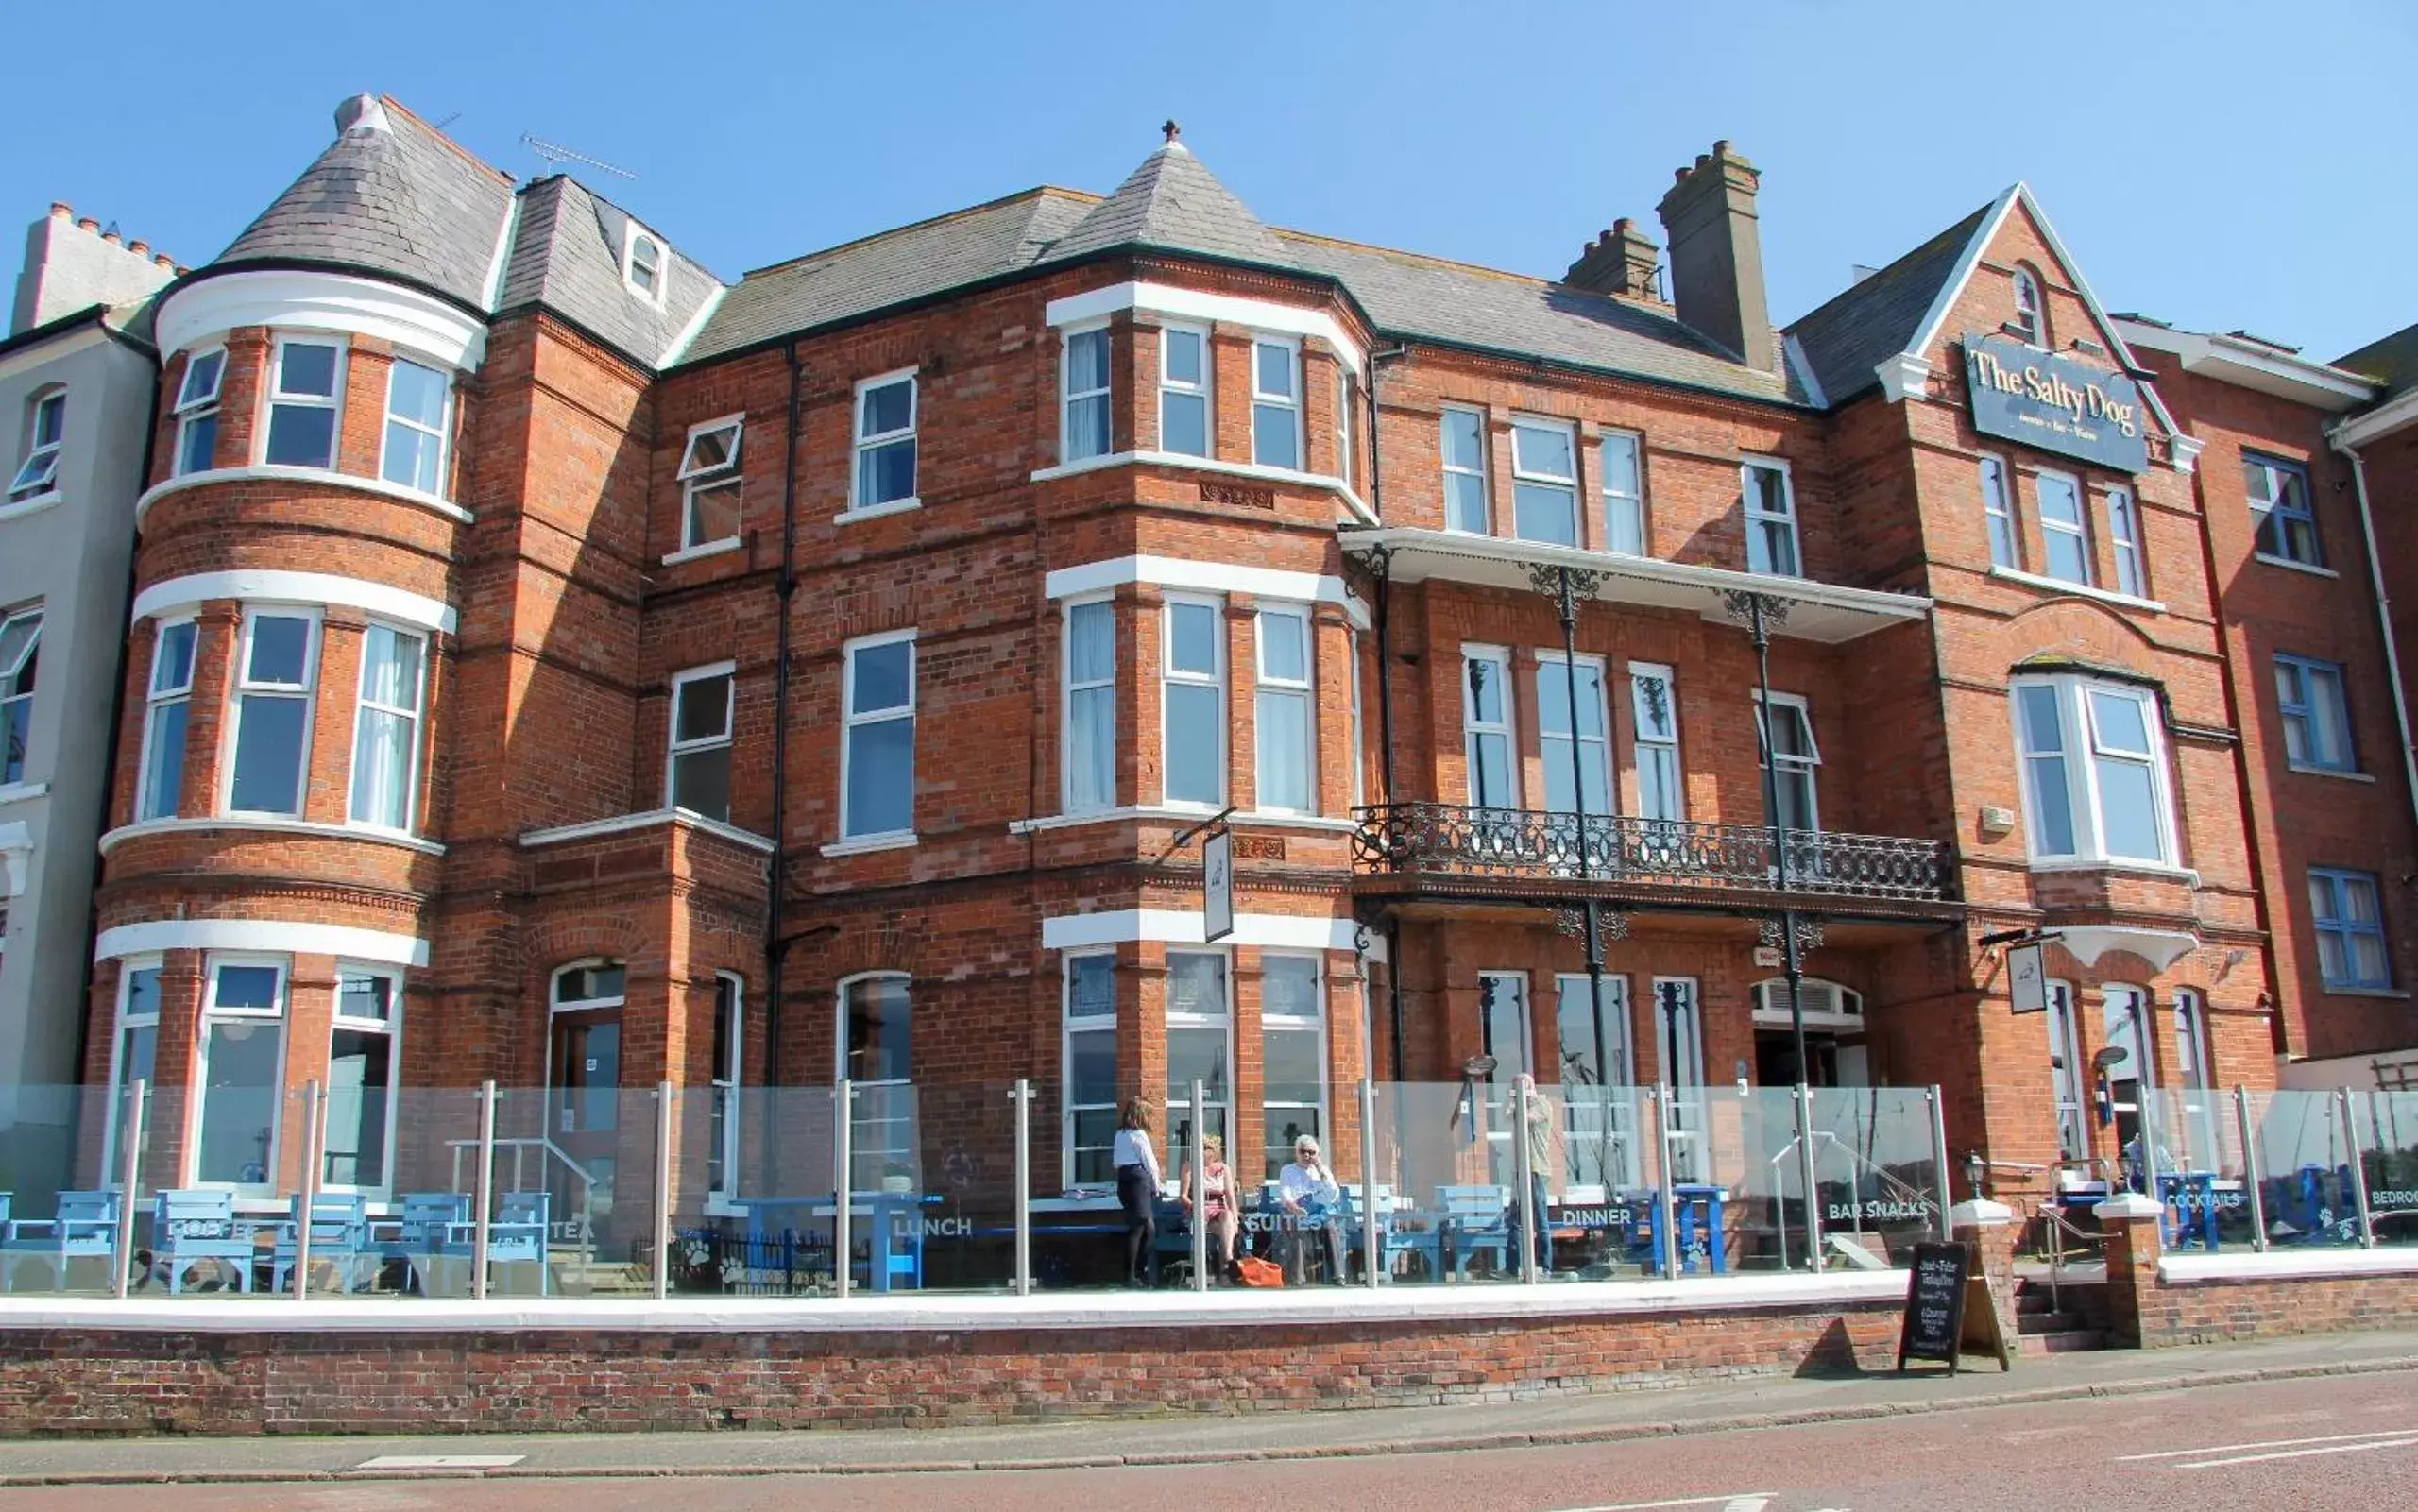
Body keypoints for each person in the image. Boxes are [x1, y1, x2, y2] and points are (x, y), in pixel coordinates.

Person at [1503, 1074, 1558, 1276]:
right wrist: (1514, 1100)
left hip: (1536, 1168)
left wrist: (1525, 1096)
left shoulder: (1543, 1104)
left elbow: (1527, 1117)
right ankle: (1511, 1268)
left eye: (1519, 1087)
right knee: (1515, 1220)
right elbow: (1507, 1117)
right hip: (1519, 1169)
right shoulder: (1518, 1106)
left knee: (1540, 1218)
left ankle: (1546, 1266)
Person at [1111, 1096, 1167, 1287]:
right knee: (1138, 1228)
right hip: (1137, 1179)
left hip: (1124, 1179)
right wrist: (1157, 1185)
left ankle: (1139, 1271)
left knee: (1148, 1229)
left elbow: (1117, 1162)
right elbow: (1150, 1163)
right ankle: (1130, 1275)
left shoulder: (1120, 1134)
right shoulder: (1139, 1135)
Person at [1277, 1135, 1348, 1284]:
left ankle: (1338, 1275)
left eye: (1311, 1152)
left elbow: (1333, 1194)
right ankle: (1298, 1277)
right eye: (1302, 1151)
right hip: (1297, 1211)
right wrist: (1295, 1208)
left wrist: (1320, 1169)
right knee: (1298, 1227)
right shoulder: (1287, 1170)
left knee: (1330, 1227)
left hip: (1319, 1213)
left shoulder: (1322, 1171)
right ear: (1296, 1153)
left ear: (1317, 1155)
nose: (1307, 1155)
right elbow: (1285, 1194)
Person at [1179, 1134, 1240, 1281]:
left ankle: (1227, 1258)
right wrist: (1195, 1207)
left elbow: (1230, 1196)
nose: (1204, 1152)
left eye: (1207, 1148)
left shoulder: (1224, 1169)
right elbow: (1183, 1196)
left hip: (1219, 1210)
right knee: (1226, 1230)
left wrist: (1236, 1219)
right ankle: (1225, 1268)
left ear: (1215, 1151)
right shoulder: (1190, 1166)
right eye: (1202, 1148)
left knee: (1228, 1217)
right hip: (1199, 1209)